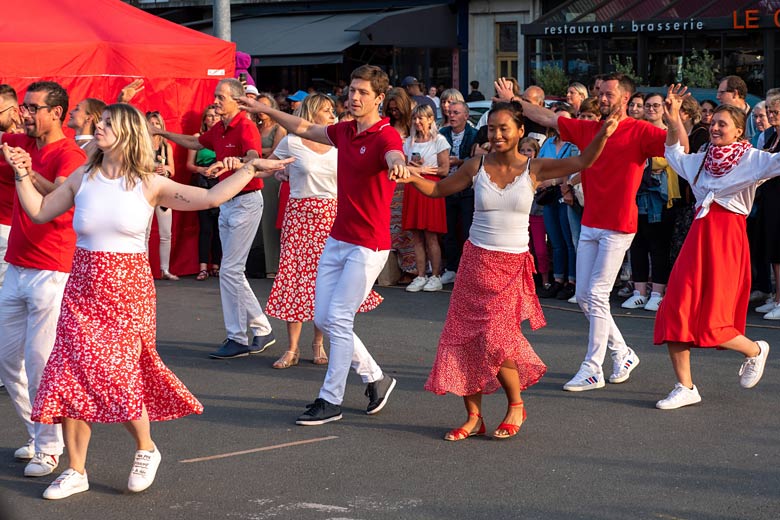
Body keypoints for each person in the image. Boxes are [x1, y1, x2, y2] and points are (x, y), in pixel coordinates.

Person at [3, 103, 291, 499]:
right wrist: (22, 174)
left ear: (126, 132)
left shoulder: (149, 183)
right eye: (100, 122)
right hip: (82, 287)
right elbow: (38, 212)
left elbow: (210, 198)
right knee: (69, 374)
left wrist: (249, 168)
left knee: (118, 374)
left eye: (108, 123)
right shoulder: (83, 177)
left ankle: (146, 447)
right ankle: (76, 470)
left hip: (128, 291)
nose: (99, 128)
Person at [395, 101, 619, 441]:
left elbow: (583, 161)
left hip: (511, 267)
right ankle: (473, 417)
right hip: (474, 263)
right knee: (464, 338)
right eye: (491, 129)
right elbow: (438, 190)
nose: (497, 135)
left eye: (504, 128)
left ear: (519, 131)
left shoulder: (534, 167)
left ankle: (516, 405)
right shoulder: (475, 165)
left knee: (496, 339)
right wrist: (412, 176)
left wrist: (602, 135)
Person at [240, 65, 407, 425]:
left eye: (363, 92)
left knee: (339, 317)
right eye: (352, 90)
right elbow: (303, 127)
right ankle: (376, 377)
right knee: (323, 317)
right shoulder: (344, 131)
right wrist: (265, 109)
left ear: (379, 98)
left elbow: (394, 154)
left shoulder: (385, 135)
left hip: (368, 245)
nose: (354, 97)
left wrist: (397, 164)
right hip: (337, 238)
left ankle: (330, 399)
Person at [497, 73, 668, 391]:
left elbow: (677, 145)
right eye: (600, 93)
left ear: (625, 98)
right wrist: (514, 101)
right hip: (590, 221)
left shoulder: (640, 130)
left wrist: (674, 117)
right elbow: (547, 116)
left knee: (597, 295)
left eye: (608, 94)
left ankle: (592, 369)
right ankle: (622, 352)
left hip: (619, 225)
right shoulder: (589, 128)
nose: (602, 98)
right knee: (586, 299)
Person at [653, 86, 776, 409]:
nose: (716, 128)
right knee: (674, 310)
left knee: (713, 321)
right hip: (698, 238)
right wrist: (673, 119)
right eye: (714, 123)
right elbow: (673, 154)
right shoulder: (702, 160)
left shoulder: (753, 159)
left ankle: (755, 350)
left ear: (739, 131)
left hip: (727, 241)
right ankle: (685, 387)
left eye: (724, 124)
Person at [152, 78, 277, 359]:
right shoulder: (219, 128)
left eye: (221, 97)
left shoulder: (245, 126)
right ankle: (260, 328)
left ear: (237, 100)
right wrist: (163, 133)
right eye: (216, 96)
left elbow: (254, 157)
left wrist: (235, 162)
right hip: (227, 202)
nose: (216, 101)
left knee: (230, 271)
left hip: (245, 201)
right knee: (233, 271)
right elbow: (194, 142)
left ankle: (238, 337)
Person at [0, 81, 86, 478]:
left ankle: (50, 448)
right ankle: (38, 436)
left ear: (57, 113)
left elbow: (62, 197)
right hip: (17, 266)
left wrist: (27, 172)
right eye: (25, 107)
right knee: (7, 362)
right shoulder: (20, 141)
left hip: (51, 270)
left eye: (34, 108)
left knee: (39, 364)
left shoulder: (69, 153)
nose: (26, 113)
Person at [265, 93, 382, 369]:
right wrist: (271, 171)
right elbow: (269, 166)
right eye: (327, 110)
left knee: (324, 281)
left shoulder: (339, 143)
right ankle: (291, 348)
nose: (333, 114)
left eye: (333, 110)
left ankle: (318, 344)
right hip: (298, 216)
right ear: (312, 112)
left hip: (331, 216)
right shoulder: (291, 141)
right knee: (295, 280)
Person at [402, 104, 450, 293]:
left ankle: (435, 275)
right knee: (416, 236)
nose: (417, 122)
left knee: (431, 235)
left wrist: (425, 169)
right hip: (413, 188)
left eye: (421, 118)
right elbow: (403, 165)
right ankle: (421, 275)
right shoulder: (409, 142)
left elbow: (445, 169)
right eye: (414, 118)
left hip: (431, 188)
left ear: (430, 119)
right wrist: (415, 168)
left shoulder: (439, 140)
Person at [536, 104, 579, 302]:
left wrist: (553, 180)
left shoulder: (574, 144)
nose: (560, 124)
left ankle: (572, 281)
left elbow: (573, 169)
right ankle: (558, 279)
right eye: (557, 119)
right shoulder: (548, 143)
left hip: (566, 194)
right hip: (548, 196)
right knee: (555, 241)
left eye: (565, 120)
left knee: (569, 241)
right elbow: (538, 165)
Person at [439, 101, 478, 284]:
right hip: (447, 186)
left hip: (467, 188)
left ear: (466, 116)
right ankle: (451, 268)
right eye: (450, 113)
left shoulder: (474, 134)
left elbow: (479, 159)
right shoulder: (442, 133)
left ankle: (468, 269)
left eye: (456, 112)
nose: (452, 116)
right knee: (448, 231)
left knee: (468, 230)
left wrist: (461, 162)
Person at [383, 87, 417, 282]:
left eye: (397, 109)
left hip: (410, 184)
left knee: (408, 228)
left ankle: (412, 269)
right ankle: (395, 269)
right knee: (392, 228)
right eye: (391, 109)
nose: (394, 112)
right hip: (390, 185)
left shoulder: (413, 126)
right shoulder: (385, 127)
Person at [186, 104, 222, 280]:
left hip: (221, 181)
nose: (213, 119)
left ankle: (216, 265)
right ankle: (202, 267)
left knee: (220, 226)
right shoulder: (197, 138)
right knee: (205, 226)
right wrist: (201, 170)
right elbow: (189, 165)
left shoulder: (223, 136)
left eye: (216, 115)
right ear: (204, 120)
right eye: (209, 116)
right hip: (202, 182)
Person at [754, 94, 780, 320]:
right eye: (769, 111)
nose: (771, 115)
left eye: (775, 112)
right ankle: (776, 296)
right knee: (772, 249)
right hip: (770, 198)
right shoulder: (771, 136)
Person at [256, 93, 287, 276]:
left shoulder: (279, 128)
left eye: (264, 106)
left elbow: (276, 153)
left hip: (270, 177)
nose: (261, 110)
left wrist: (256, 153)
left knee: (270, 219)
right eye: (258, 106)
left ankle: (273, 266)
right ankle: (260, 265)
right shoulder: (255, 127)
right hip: (255, 174)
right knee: (257, 220)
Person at [145, 111, 178, 280]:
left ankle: (165, 270)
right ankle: (144, 271)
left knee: (166, 233)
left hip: (163, 191)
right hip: (146, 191)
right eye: (151, 123)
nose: (154, 126)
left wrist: (165, 169)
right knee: (145, 232)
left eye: (157, 123)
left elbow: (173, 170)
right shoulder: (141, 145)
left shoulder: (166, 146)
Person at [519, 137, 549, 288]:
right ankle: (528, 279)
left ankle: (545, 280)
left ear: (536, 152)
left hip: (538, 213)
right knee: (526, 249)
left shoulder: (540, 169)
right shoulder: (515, 169)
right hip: (521, 215)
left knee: (540, 249)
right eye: (522, 150)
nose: (525, 153)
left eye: (529, 150)